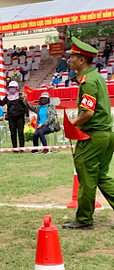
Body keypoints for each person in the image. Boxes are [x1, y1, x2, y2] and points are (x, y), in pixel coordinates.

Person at [61, 37, 114, 229]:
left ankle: (84, 218)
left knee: (86, 175)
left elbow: (88, 113)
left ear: (81, 60)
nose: (70, 60)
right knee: (100, 176)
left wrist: (71, 125)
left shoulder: (88, 82)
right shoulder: (97, 77)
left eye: (73, 56)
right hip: (106, 135)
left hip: (93, 135)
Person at [0, 81, 30, 149]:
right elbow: (2, 103)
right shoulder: (8, 97)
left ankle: (22, 147)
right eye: (10, 87)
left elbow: (26, 106)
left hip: (20, 116)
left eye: (13, 87)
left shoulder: (21, 96)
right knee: (13, 133)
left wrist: (27, 116)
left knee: (20, 132)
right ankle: (14, 147)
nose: (12, 89)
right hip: (11, 117)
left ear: (17, 88)